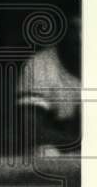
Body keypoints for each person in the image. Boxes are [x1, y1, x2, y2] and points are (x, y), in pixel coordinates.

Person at [17, 8, 81, 157]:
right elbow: (30, 131)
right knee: (45, 153)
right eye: (74, 28)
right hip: (60, 151)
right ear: (61, 32)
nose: (80, 36)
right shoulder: (40, 64)